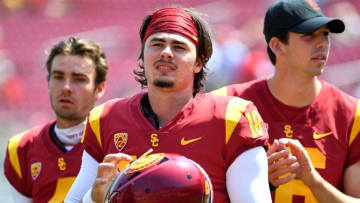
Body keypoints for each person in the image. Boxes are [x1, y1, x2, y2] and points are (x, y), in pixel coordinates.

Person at [65, 6, 271, 203]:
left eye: (179, 46)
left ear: (199, 62)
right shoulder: (107, 118)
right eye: (156, 44)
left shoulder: (231, 118)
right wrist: (95, 197)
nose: (166, 52)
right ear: (143, 57)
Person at [212, 0, 360, 202]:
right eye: (309, 36)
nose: (322, 43)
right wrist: (255, 181)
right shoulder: (224, 104)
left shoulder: (353, 114)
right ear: (277, 46)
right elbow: (204, 192)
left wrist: (314, 181)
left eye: (325, 34)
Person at [3, 37, 108, 202]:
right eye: (58, 77)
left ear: (99, 88)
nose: (66, 87)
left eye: (79, 79)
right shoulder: (21, 148)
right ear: (48, 82)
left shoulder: (116, 143)